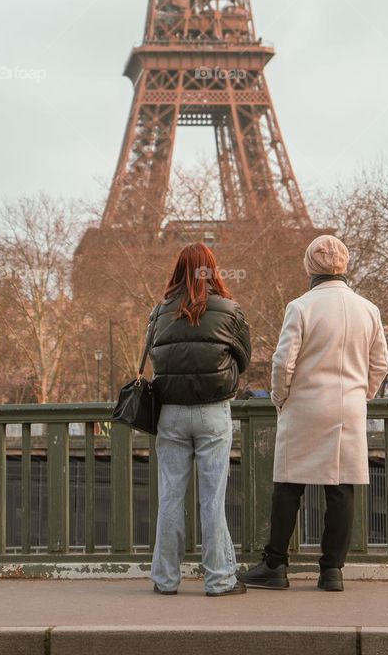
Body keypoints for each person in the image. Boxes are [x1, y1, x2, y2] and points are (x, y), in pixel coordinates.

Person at [238, 234, 388, 594]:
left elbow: (283, 361)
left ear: (309, 266)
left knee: (288, 487)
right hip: (348, 409)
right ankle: (332, 571)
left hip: (305, 405)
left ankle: (275, 565)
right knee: (341, 490)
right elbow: (380, 364)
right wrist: (360, 395)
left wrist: (280, 398)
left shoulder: (301, 307)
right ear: (346, 264)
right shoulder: (368, 309)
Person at [149, 241, 252, 597]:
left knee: (170, 498)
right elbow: (244, 358)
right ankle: (220, 579)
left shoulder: (159, 311)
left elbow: (154, 355)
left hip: (171, 413)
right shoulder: (229, 309)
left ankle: (165, 579)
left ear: (178, 270)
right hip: (212, 411)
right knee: (212, 499)